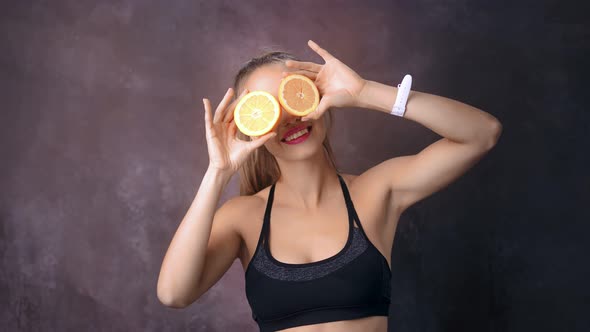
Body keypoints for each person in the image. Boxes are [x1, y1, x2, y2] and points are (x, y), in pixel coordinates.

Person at [157, 39, 502, 331]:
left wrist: (366, 92)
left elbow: (481, 134)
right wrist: (218, 172)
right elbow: (174, 293)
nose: (287, 118)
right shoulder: (242, 217)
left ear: (319, 97)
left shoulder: (376, 191)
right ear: (252, 129)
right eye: (269, 110)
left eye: (293, 96)